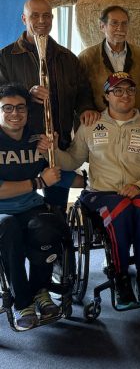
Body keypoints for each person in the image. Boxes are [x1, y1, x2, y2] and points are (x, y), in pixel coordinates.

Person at [49, 72, 140, 308]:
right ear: (106, 96)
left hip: (139, 191)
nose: (125, 95)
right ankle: (120, 276)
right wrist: (51, 150)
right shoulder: (91, 125)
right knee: (121, 209)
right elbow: (72, 161)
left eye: (130, 90)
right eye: (118, 90)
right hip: (100, 194)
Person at [0, 0, 97, 210]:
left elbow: (82, 92)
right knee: (18, 205)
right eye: (35, 15)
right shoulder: (5, 57)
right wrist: (27, 95)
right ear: (24, 18)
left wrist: (86, 109)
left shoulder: (68, 58)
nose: (41, 20)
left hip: (57, 143)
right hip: (20, 147)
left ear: (52, 18)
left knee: (56, 209)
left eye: (46, 16)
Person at [0, 83, 71, 331]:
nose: (15, 113)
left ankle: (41, 291)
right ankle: (23, 303)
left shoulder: (36, 139)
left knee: (48, 225)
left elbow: (57, 172)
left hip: (29, 207)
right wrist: (38, 182)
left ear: (28, 111)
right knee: (9, 228)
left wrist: (53, 151)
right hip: (2, 213)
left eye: (20, 107)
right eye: (7, 108)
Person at [78, 5, 140, 128]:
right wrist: (86, 109)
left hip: (138, 125)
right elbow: (80, 91)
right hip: (99, 127)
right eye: (114, 23)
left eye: (124, 23)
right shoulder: (86, 58)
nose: (120, 28)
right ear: (102, 26)